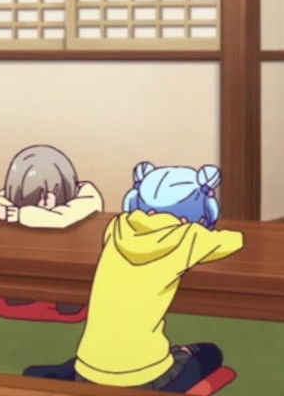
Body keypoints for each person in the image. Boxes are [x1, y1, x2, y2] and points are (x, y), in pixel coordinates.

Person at [24, 161, 243, 392]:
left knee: (106, 352)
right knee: (209, 353)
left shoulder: (117, 226)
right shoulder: (189, 236)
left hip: (87, 366)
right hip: (145, 376)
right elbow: (235, 240)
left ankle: (72, 373)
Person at [0, 144, 104, 318]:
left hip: (72, 264)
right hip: (29, 259)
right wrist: (33, 211)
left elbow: (61, 219)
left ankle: (67, 296)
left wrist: (16, 214)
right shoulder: (8, 199)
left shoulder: (88, 196)